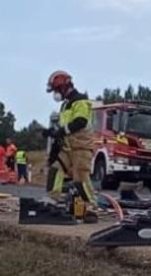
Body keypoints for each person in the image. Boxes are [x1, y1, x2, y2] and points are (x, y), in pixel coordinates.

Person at [42, 70, 98, 223]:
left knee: (81, 178)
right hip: (67, 148)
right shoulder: (65, 105)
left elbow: (80, 121)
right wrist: (52, 134)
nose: (56, 94)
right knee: (55, 169)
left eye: (56, 90)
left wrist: (61, 130)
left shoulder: (80, 101)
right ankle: (52, 200)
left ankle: (91, 208)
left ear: (63, 87)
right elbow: (63, 128)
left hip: (81, 147)